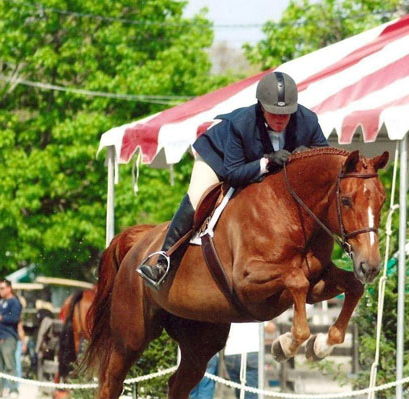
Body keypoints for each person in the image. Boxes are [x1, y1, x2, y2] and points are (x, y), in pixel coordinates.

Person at [137, 71, 329, 288]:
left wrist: (305, 154)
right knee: (198, 198)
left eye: (286, 113)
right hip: (218, 158)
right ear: (260, 106)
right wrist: (266, 163)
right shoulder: (242, 124)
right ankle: (163, 259)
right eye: (273, 112)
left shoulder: (308, 121)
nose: (280, 119)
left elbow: (325, 157)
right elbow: (233, 174)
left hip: (253, 165)